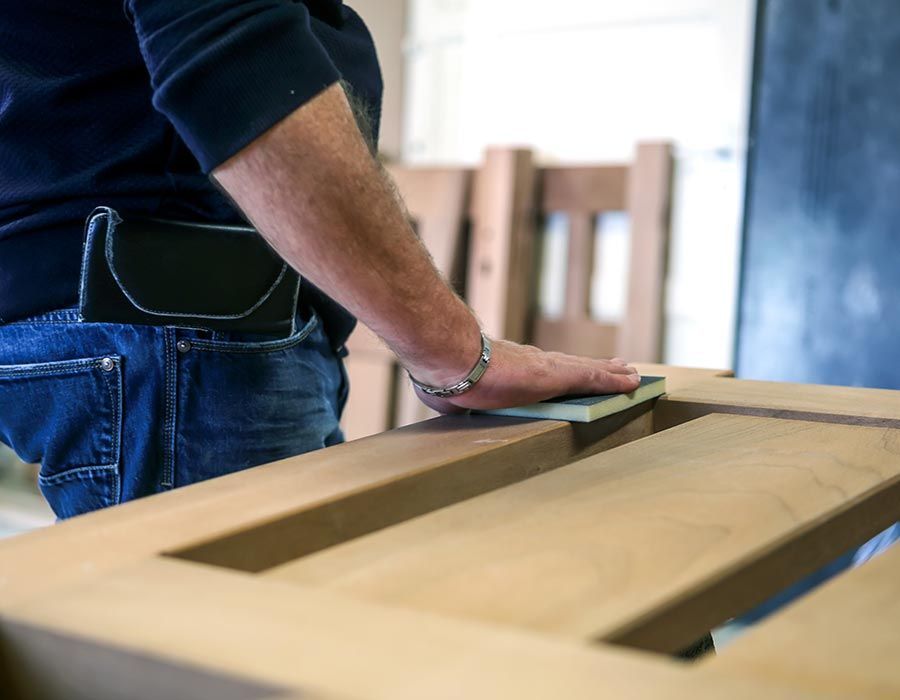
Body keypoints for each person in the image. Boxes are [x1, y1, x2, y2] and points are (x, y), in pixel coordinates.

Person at [0, 1, 640, 520]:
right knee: (227, 664)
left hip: (115, 327)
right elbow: (233, 67)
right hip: (173, 339)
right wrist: (457, 357)